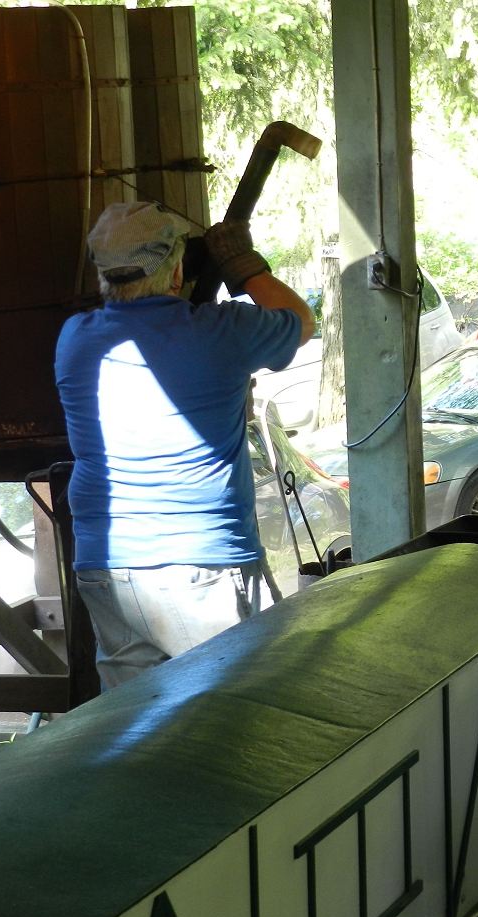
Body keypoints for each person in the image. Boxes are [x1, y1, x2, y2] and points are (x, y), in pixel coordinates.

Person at [55, 201, 315, 689]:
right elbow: (301, 320)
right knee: (236, 720)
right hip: (201, 565)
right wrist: (246, 265)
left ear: (104, 275)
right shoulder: (220, 331)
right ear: (176, 270)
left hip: (105, 568)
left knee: (139, 729)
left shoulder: (75, 338)